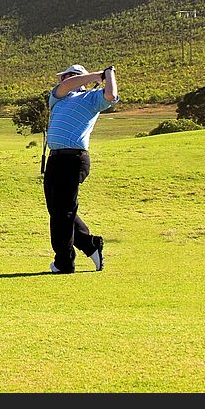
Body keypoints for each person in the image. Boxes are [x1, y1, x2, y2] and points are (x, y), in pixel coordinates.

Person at [44, 63, 118, 274]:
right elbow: (66, 85)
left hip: (75, 159)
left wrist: (109, 74)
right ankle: (90, 244)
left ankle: (64, 262)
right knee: (57, 210)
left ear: (79, 78)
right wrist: (98, 75)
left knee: (63, 212)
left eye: (67, 76)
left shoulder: (92, 99)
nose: (62, 81)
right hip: (54, 159)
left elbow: (111, 95)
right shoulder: (57, 97)